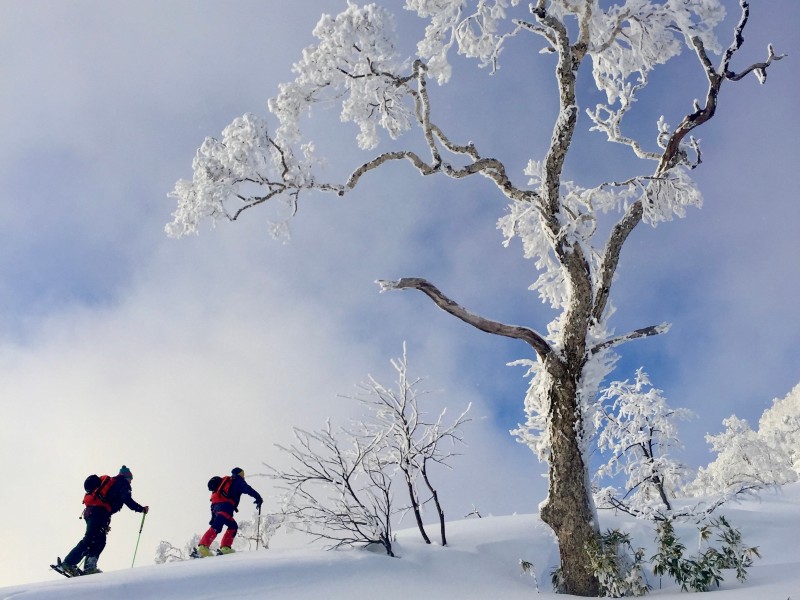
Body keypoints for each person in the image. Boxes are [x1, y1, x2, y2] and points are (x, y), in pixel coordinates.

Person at [60, 465, 149, 575]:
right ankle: (68, 563)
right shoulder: (122, 483)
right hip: (98, 512)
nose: (131, 482)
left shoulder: (111, 483)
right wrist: (141, 509)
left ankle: (89, 566)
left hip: (92, 512)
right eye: (130, 479)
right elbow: (127, 500)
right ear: (127, 477)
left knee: (99, 540)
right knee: (91, 539)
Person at [197, 467, 263, 556]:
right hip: (225, 508)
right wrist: (258, 497)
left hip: (217, 509)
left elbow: (214, 502)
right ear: (239, 474)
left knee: (233, 526)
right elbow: (248, 489)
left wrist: (213, 516)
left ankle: (225, 548)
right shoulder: (237, 481)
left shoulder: (224, 483)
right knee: (217, 526)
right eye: (242, 474)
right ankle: (203, 547)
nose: (243, 476)